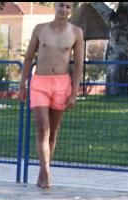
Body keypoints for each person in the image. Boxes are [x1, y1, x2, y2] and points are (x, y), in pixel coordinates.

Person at [18, 2, 84, 189]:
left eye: (68, 7)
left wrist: (74, 92)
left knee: (53, 132)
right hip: (40, 82)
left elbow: (78, 65)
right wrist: (22, 84)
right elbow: (29, 57)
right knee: (43, 129)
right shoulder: (40, 29)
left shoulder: (76, 33)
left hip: (62, 84)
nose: (64, 9)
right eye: (61, 5)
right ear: (55, 6)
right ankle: (46, 172)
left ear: (72, 10)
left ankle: (42, 171)